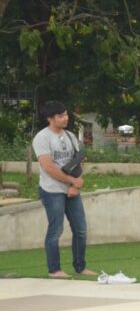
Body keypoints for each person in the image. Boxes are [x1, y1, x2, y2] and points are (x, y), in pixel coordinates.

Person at [32, 101, 96, 279]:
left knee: (80, 229)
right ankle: (54, 270)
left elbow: (78, 160)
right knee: (56, 230)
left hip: (71, 189)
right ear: (50, 118)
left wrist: (75, 184)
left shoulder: (70, 136)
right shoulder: (42, 138)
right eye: (61, 116)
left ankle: (80, 267)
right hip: (52, 190)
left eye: (66, 114)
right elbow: (48, 167)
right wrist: (72, 182)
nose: (65, 118)